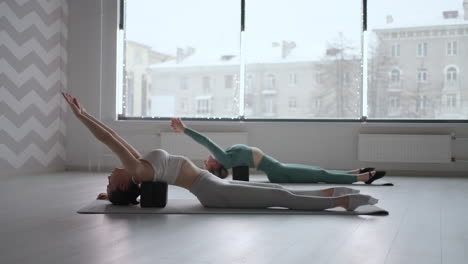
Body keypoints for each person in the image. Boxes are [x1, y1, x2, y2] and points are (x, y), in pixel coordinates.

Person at [63, 93, 378, 211]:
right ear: (122, 185)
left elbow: (113, 134)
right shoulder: (137, 171)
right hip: (212, 192)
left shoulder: (139, 166)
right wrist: (80, 118)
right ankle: (341, 202)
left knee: (279, 188)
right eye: (109, 183)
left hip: (213, 185)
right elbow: (108, 139)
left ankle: (334, 191)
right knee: (278, 199)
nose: (108, 176)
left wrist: (84, 112)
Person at [170, 118, 386, 184]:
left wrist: (185, 129)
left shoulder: (225, 157)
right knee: (320, 175)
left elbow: (206, 142)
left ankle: (355, 172)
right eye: (206, 163)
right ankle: (362, 178)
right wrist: (185, 130)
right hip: (278, 172)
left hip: (278, 168)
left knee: (319, 171)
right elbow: (206, 141)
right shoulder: (224, 159)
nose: (206, 159)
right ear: (215, 166)